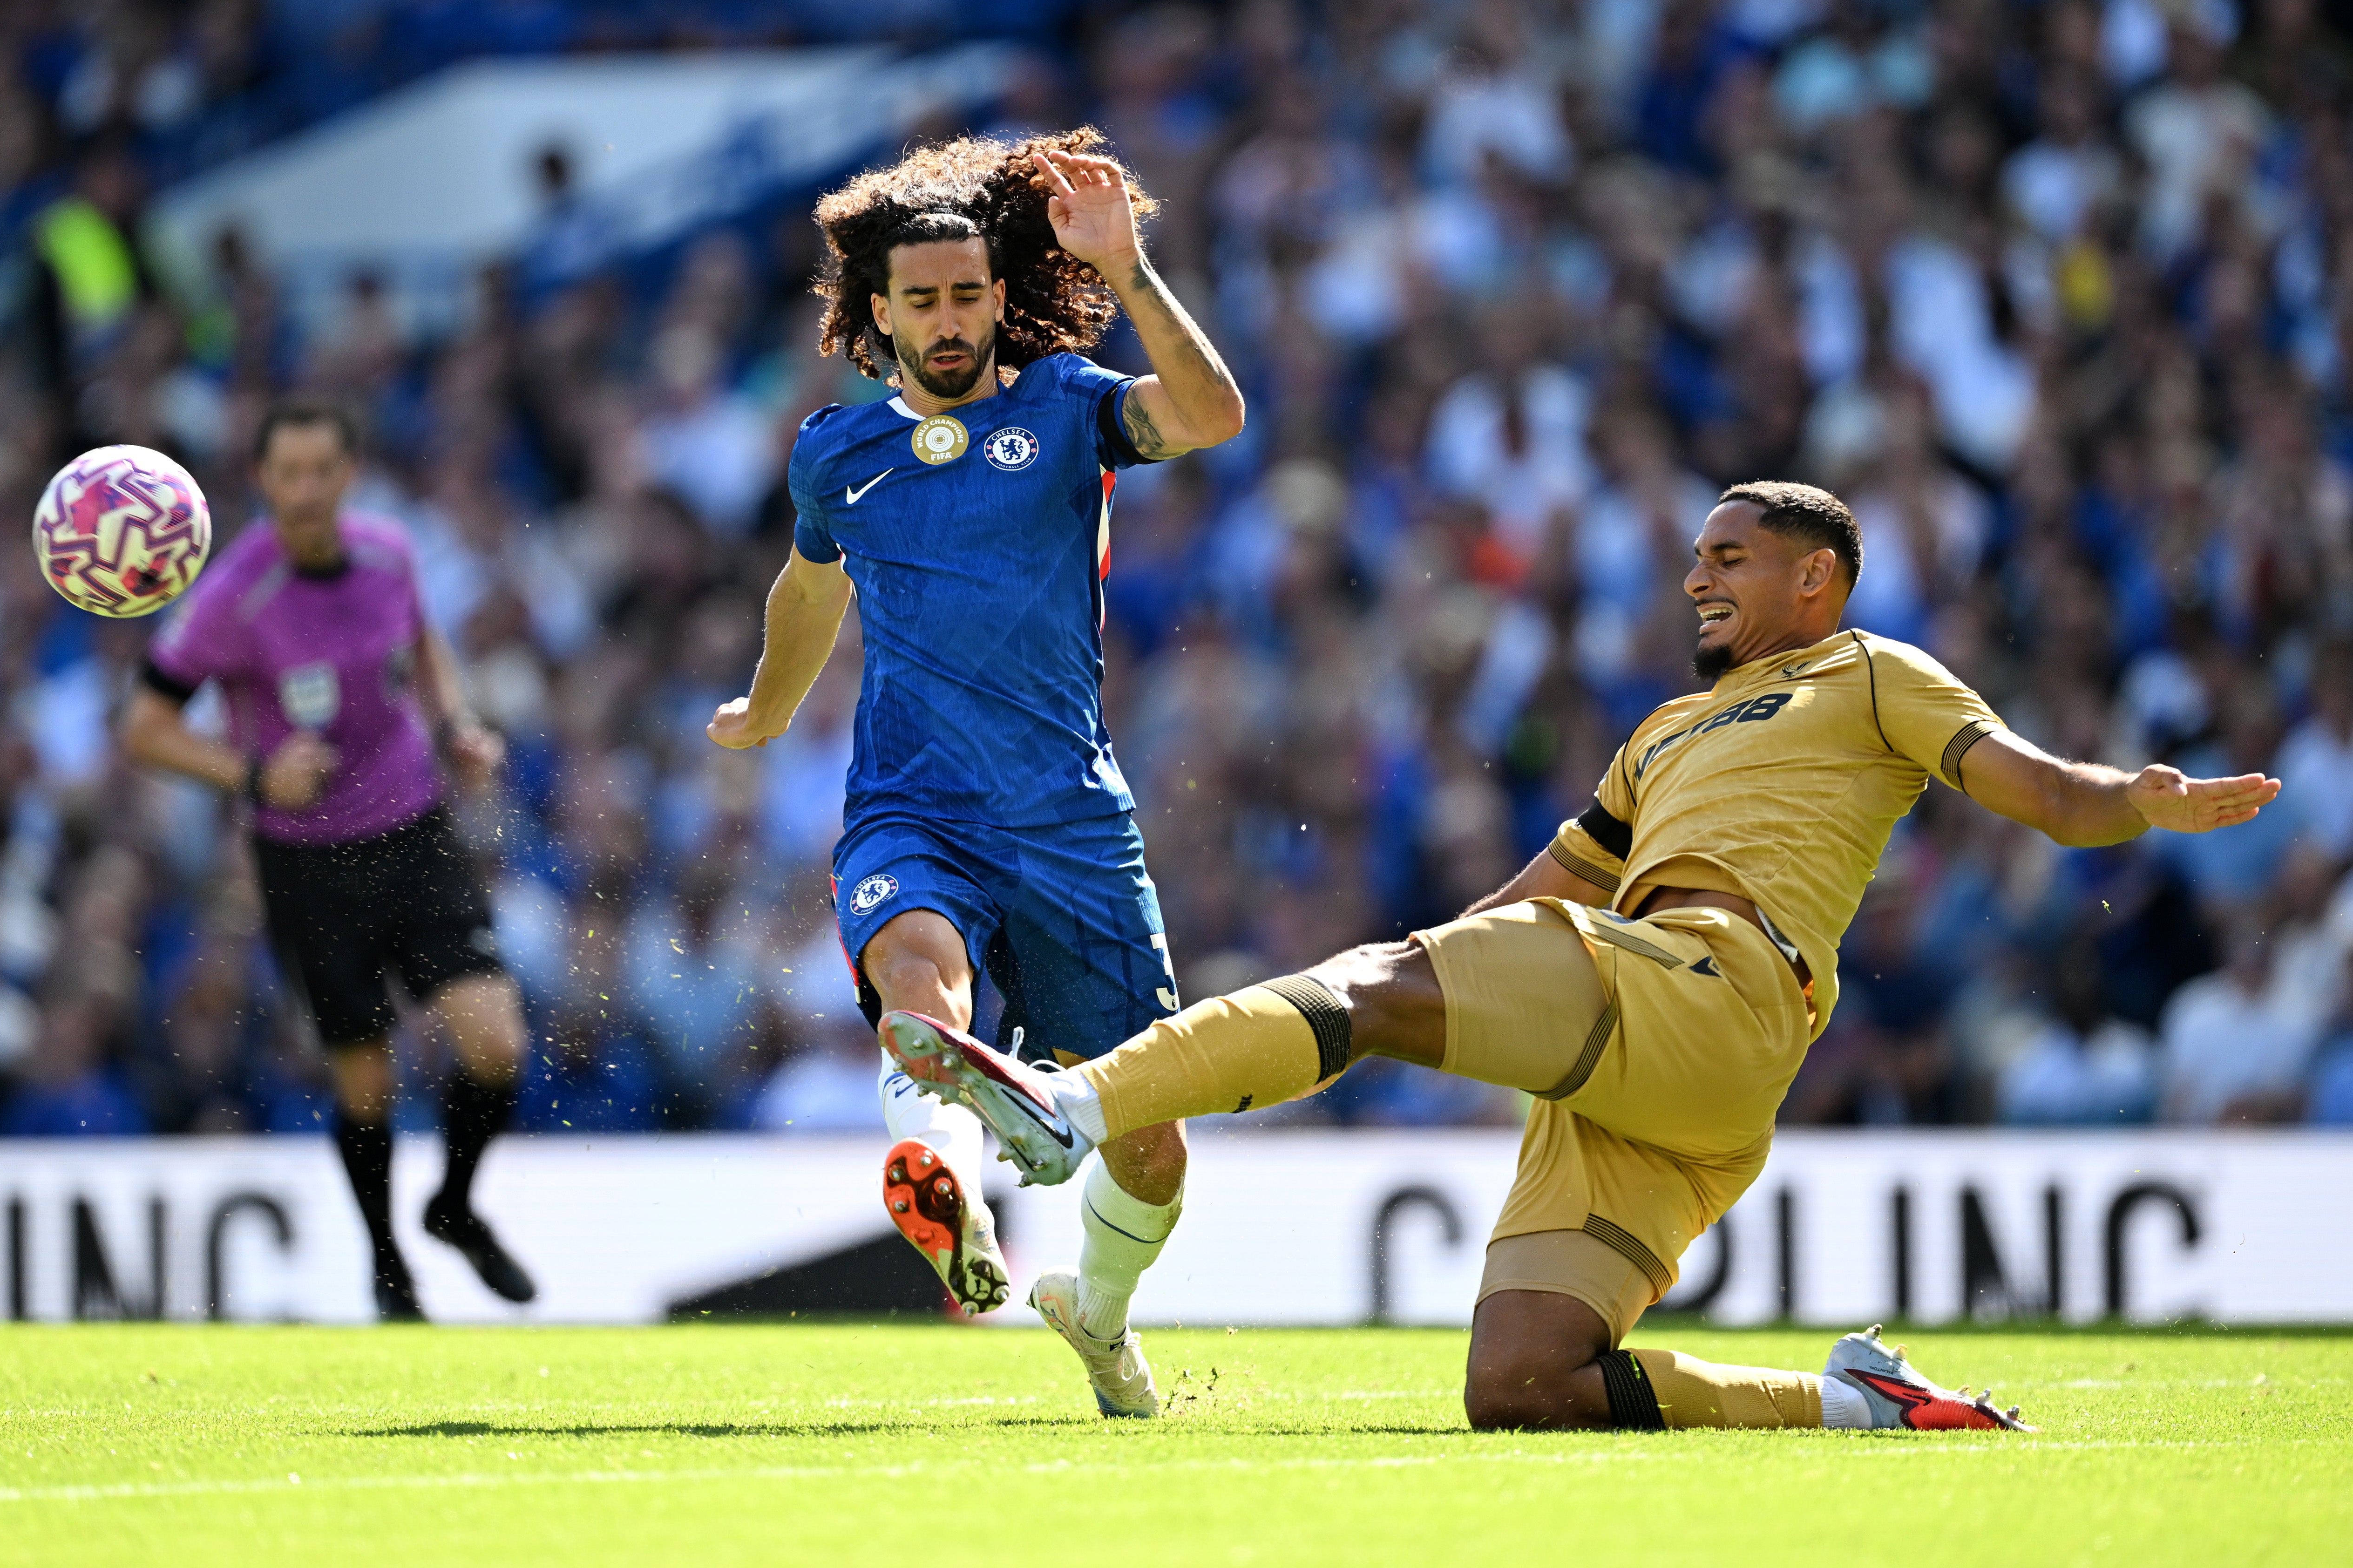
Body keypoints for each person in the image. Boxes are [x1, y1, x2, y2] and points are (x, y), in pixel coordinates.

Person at [885, 481, 2280, 1433]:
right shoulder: (1659, 731)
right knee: (1526, 1383)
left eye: (1727, 556)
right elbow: (1539, 893)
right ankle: (1862, 1401)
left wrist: (2136, 800)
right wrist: (1431, 989)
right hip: (1658, 1073)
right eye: (1694, 558)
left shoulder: (1870, 671)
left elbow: (2040, 791)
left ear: (1819, 575)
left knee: (1371, 990)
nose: (1695, 578)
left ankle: (1066, 1110)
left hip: (1713, 988)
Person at [707, 129, 1243, 1415]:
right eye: (920, 300)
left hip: (1067, 818)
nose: (946, 321)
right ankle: (941, 1178)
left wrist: (1127, 268)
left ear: (1001, 294)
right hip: (915, 802)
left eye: (966, 294)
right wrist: (767, 707)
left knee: (1150, 1139)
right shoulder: (838, 450)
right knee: (911, 980)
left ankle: (1098, 1320)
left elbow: (1214, 415)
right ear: (871, 313)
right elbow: (805, 587)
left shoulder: (1067, 409)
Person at [120, 398, 537, 1321]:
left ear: (348, 476)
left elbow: (424, 648)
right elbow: (143, 728)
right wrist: (253, 773)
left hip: (414, 830)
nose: (305, 492)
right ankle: (387, 1265)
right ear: (262, 482)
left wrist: (457, 726)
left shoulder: (390, 554)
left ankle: (454, 1207)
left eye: (322, 473)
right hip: (308, 865)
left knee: (497, 1042)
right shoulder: (233, 597)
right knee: (368, 1078)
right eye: (287, 475)